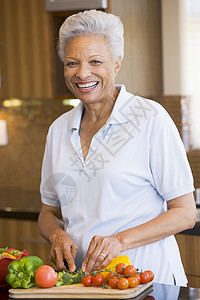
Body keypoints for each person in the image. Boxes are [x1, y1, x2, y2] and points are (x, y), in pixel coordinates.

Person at [38, 10, 196, 286]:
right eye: (72, 62)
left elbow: (184, 213)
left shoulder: (150, 119)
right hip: (85, 283)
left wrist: (120, 241)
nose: (82, 73)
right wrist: (56, 234)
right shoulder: (58, 130)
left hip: (148, 280)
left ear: (116, 63)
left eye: (95, 61)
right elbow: (48, 212)